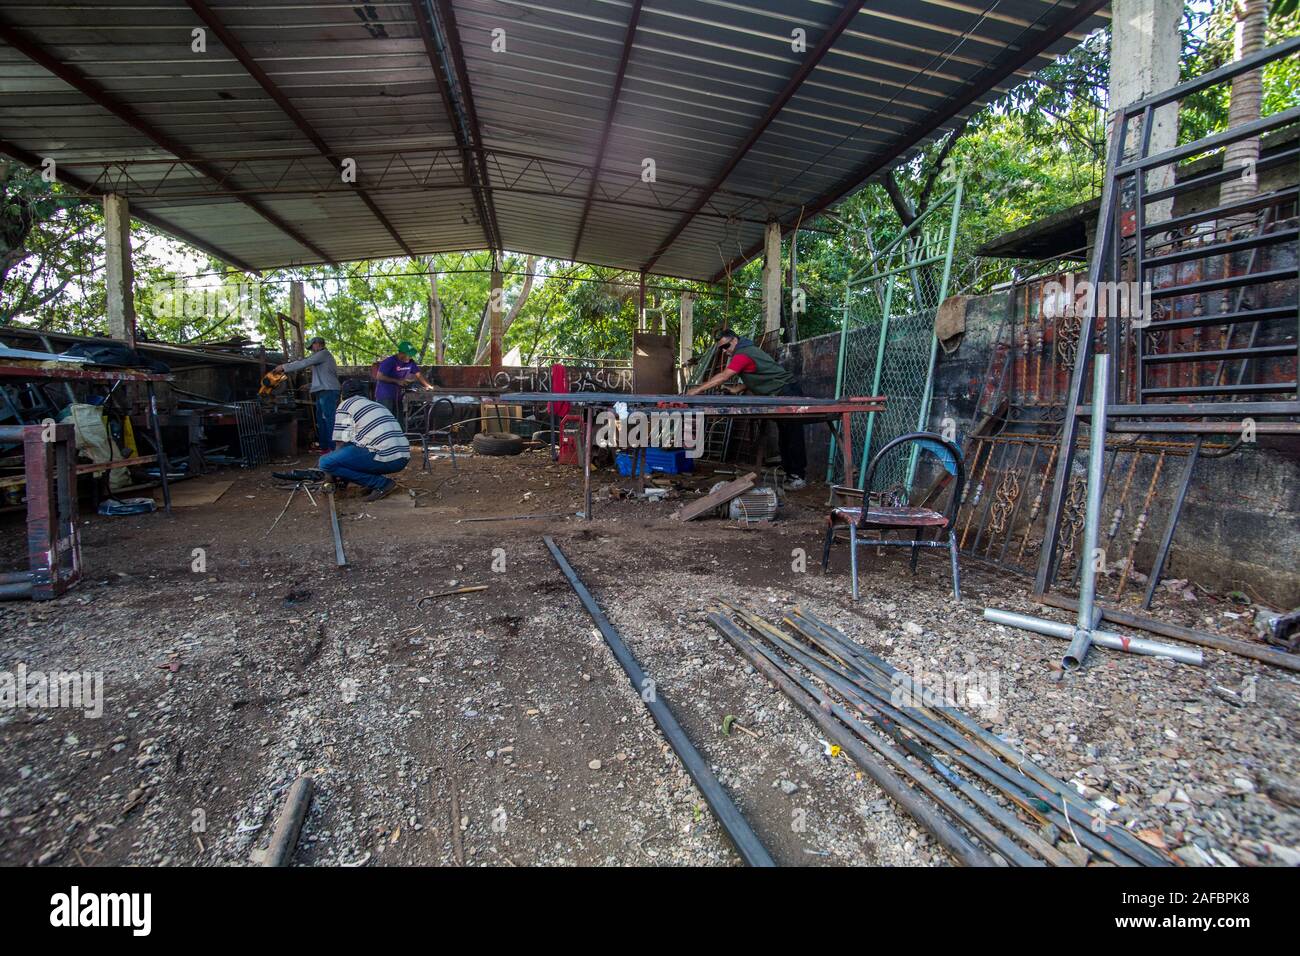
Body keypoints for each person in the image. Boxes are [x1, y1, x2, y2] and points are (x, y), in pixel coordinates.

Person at [686, 329, 808, 490]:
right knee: (785, 436)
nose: (725, 350)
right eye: (721, 348)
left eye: (726, 346)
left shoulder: (742, 354)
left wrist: (696, 390)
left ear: (735, 340)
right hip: (779, 392)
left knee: (792, 435)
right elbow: (761, 373)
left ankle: (798, 477)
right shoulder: (748, 350)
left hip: (786, 392)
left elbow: (724, 376)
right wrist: (738, 388)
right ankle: (791, 476)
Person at [319, 379, 410, 502]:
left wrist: (332, 473)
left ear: (342, 394)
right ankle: (371, 483)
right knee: (352, 453)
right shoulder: (377, 404)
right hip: (402, 457)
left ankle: (381, 484)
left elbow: (341, 442)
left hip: (383, 455)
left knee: (325, 462)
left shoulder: (345, 405)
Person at [276, 336, 340, 452]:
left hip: (328, 390)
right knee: (321, 419)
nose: (312, 350)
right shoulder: (322, 357)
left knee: (329, 419)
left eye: (312, 347)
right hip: (324, 390)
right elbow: (325, 376)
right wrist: (310, 385)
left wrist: (283, 367)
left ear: (318, 344)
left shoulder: (323, 354)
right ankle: (325, 447)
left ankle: (333, 447)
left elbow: (305, 362)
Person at [374, 341, 435, 420]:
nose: (410, 357)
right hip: (385, 396)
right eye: (409, 355)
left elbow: (418, 375)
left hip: (398, 396)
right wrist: (397, 381)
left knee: (399, 420)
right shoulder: (389, 362)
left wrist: (428, 386)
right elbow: (379, 376)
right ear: (401, 353)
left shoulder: (411, 362)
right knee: (386, 420)